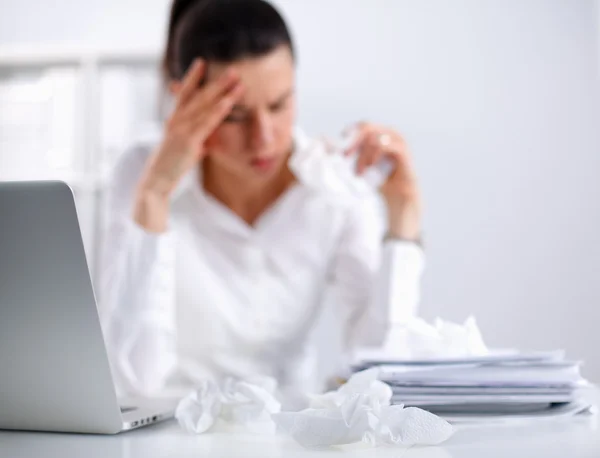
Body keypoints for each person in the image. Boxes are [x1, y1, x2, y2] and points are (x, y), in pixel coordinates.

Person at [99, 0, 424, 399]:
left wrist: (403, 219)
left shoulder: (334, 190)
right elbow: (133, 379)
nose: (264, 138)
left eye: (279, 104)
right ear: (182, 100)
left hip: (286, 432)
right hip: (167, 432)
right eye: (235, 115)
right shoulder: (140, 172)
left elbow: (382, 369)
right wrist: (154, 194)